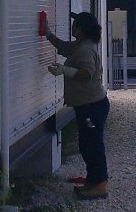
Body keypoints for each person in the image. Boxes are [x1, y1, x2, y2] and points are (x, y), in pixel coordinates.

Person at [45, 11, 110, 200]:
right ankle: (93, 181)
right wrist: (48, 33)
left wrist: (63, 70)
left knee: (93, 145)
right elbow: (64, 47)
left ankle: (99, 185)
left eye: (75, 25)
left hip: (92, 106)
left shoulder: (86, 50)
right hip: (89, 106)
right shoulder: (81, 45)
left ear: (81, 30)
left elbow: (86, 73)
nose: (72, 27)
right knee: (87, 144)